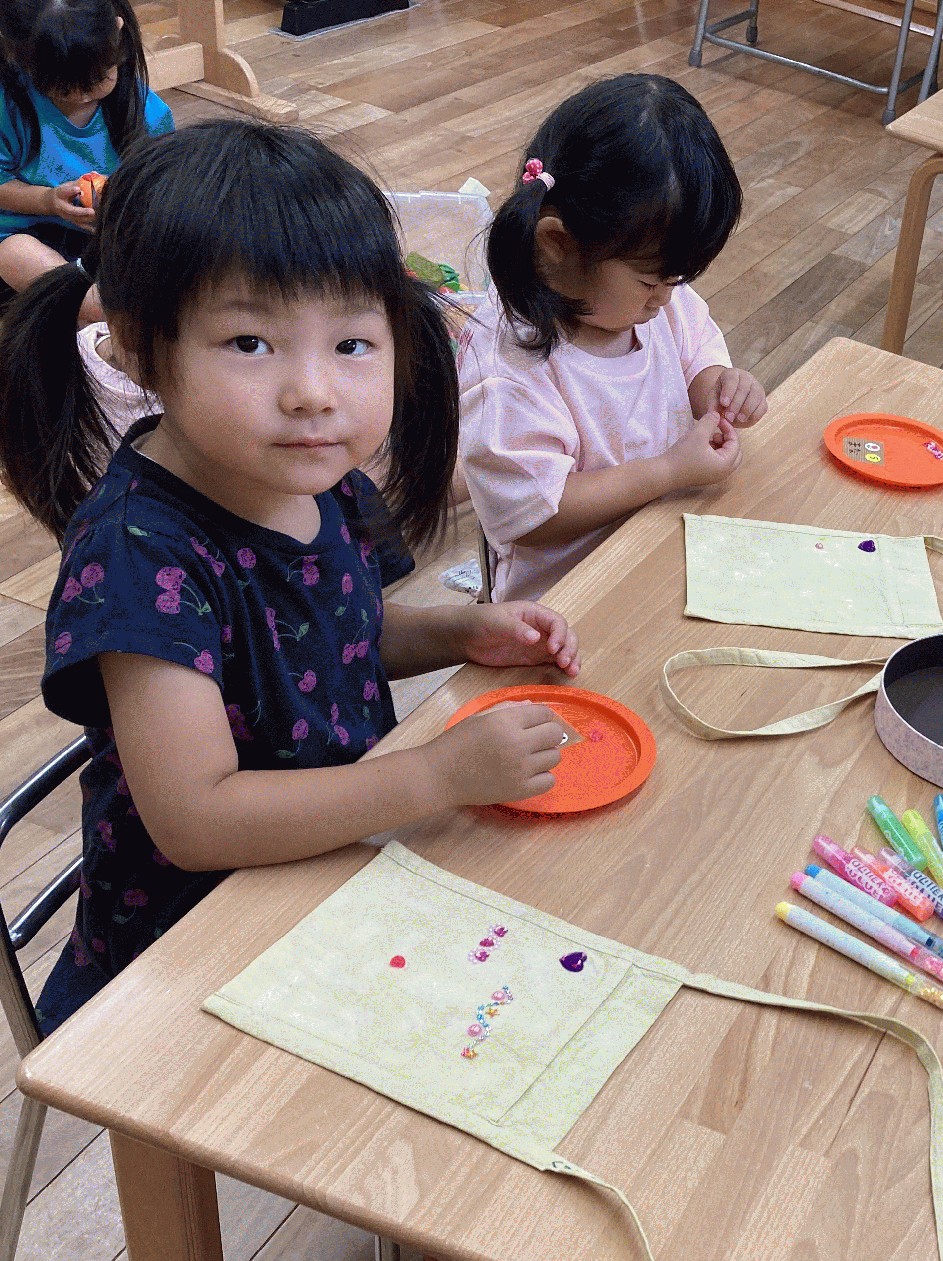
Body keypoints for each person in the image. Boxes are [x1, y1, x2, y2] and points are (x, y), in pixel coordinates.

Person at [0, 119, 582, 1033]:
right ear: (141, 347)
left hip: (331, 875)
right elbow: (197, 819)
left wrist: (464, 631)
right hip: (188, 964)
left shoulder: (314, 474)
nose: (314, 391)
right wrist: (434, 777)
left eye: (351, 345)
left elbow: (337, 631)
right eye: (249, 342)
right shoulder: (139, 557)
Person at [458, 72, 766, 602]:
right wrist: (668, 471)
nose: (666, 298)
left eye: (677, 279)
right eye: (650, 281)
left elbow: (697, 357)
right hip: (568, 603)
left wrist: (720, 387)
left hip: (663, 555)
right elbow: (534, 514)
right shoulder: (508, 364)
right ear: (557, 244)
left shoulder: (655, 299)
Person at [0, 0, 170, 307]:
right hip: (24, 234)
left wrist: (121, 202)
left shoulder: (148, 113)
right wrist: (47, 201)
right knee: (12, 253)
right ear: (21, 58)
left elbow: (164, 187)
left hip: (104, 239)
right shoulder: (8, 106)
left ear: (118, 33)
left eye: (97, 80)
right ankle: (95, 306)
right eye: (63, 89)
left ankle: (88, 305)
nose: (82, 96)